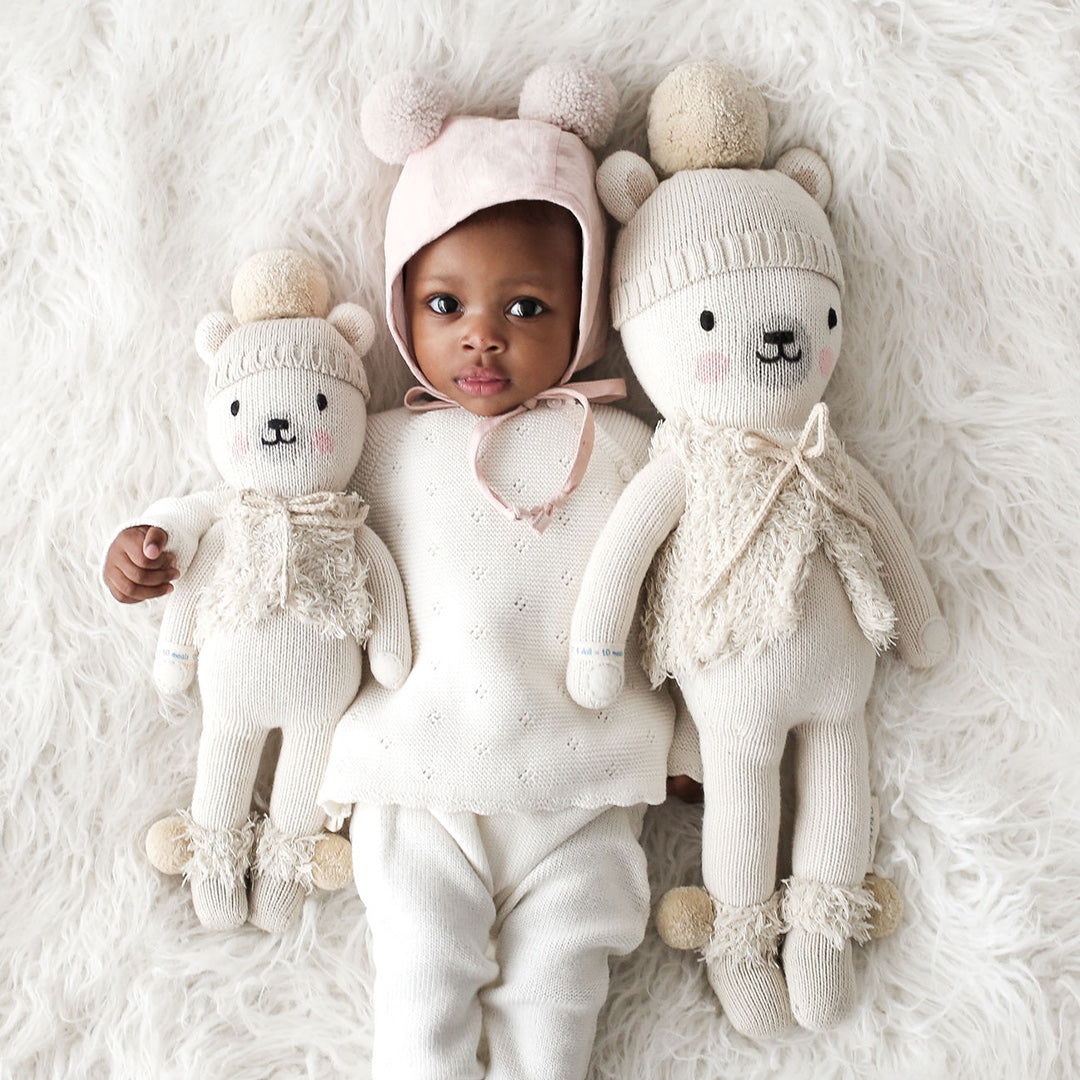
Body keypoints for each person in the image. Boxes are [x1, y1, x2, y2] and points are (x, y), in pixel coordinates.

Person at [103, 67, 679, 1080]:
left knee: (561, 995)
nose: (483, 335)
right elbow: (262, 512)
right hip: (416, 785)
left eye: (531, 304)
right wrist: (157, 542)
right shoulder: (372, 443)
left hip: (581, 789)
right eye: (447, 301)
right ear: (401, 299)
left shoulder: (628, 444)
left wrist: (697, 743)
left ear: (589, 308)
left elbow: (681, 593)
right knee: (420, 987)